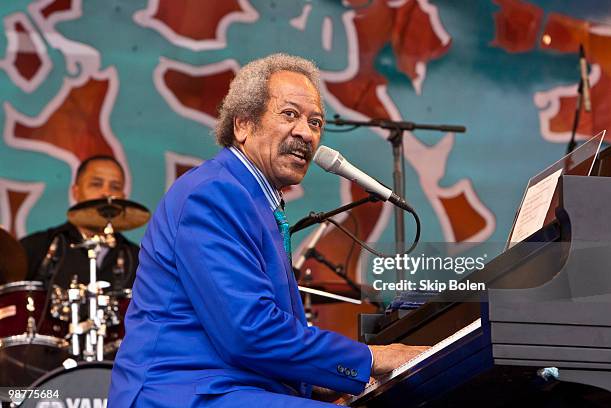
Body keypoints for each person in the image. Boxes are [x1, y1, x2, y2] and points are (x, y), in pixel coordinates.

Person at [108, 54, 427, 407]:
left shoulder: (252, 198)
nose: (306, 133)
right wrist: (376, 358)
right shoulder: (214, 193)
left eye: (316, 122)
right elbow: (250, 331)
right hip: (181, 394)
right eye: (289, 114)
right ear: (243, 125)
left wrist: (321, 384)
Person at [20, 155, 140, 290]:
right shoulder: (38, 247)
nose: (106, 193)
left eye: (115, 187)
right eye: (96, 184)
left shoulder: (138, 260)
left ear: (123, 197)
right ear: (75, 192)